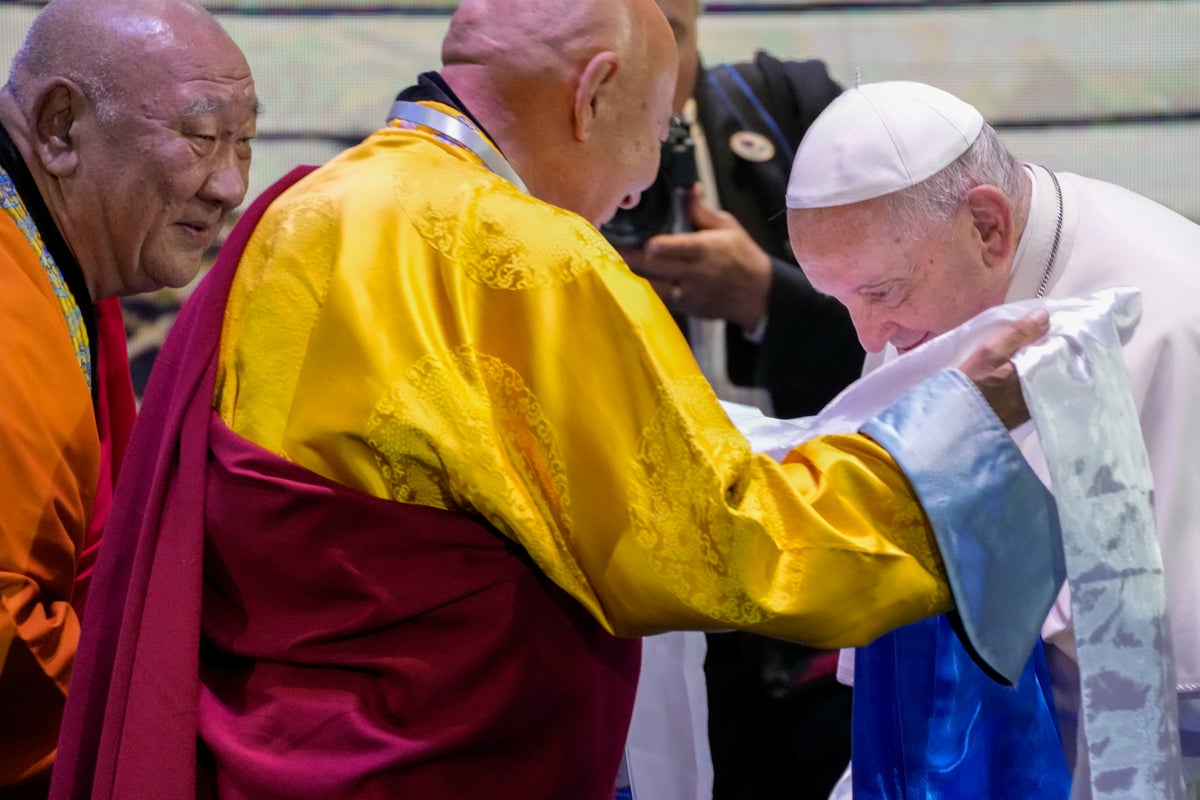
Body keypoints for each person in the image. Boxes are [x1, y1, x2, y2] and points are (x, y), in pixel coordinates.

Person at [51, 4, 1059, 799]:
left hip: (269, 744)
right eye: (659, 138)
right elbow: (723, 543)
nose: (636, 190)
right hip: (434, 761)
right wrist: (947, 433)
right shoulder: (522, 258)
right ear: (595, 91)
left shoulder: (307, 211)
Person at [785, 80, 1200, 797]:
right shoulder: (927, 289)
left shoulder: (1172, 314)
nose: (870, 337)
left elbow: (1165, 676)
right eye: (840, 301)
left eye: (879, 294)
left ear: (986, 225)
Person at [0, 0, 258, 793]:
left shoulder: (61, 255)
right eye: (202, 138)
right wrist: (185, 727)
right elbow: (8, 633)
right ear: (60, 126)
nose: (230, 189)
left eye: (245, 146)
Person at [619, 2, 863, 797]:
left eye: (669, 35)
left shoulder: (792, 114)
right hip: (632, 584)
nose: (643, 69)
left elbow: (917, 340)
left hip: (804, 585)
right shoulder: (520, 165)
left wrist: (767, 298)